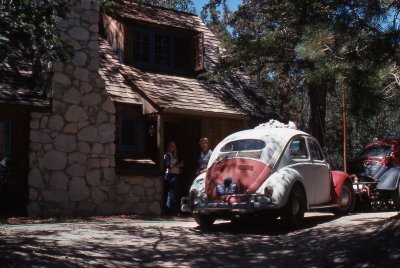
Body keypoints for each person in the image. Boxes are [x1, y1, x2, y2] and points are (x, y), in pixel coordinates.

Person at [164, 141, 183, 215]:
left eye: (174, 146)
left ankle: (171, 210)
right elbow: (168, 166)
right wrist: (176, 165)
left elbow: (175, 166)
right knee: (171, 193)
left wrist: (179, 166)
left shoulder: (174, 155)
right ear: (168, 147)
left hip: (175, 174)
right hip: (170, 175)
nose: (173, 147)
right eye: (171, 146)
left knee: (173, 193)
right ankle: (171, 210)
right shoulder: (167, 155)